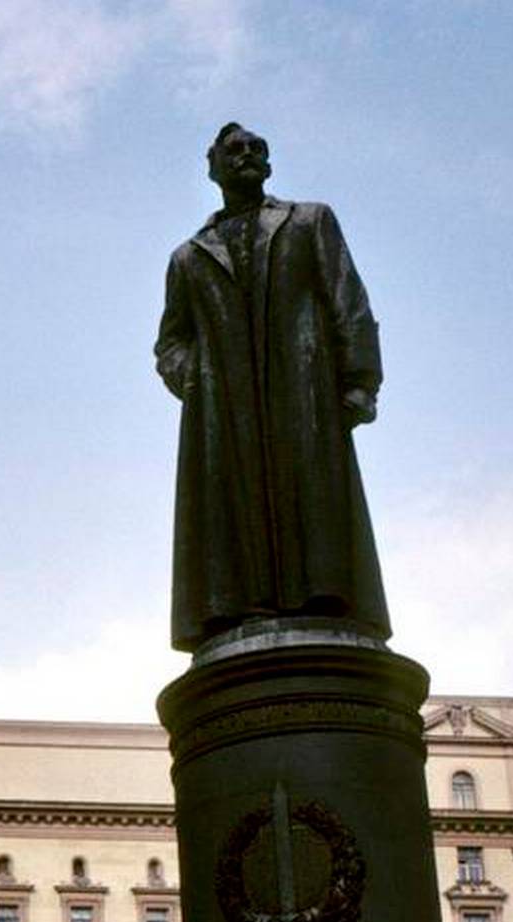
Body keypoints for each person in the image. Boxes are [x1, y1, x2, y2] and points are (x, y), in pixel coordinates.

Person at [156, 123, 390, 652]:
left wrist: (359, 382)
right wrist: (196, 377)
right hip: (225, 409)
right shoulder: (189, 257)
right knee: (230, 513)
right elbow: (169, 342)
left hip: (300, 391)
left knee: (312, 499)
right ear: (212, 167)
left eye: (257, 149)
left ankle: (323, 601)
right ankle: (237, 608)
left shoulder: (309, 221)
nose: (247, 156)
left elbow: (347, 300)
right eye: (234, 151)